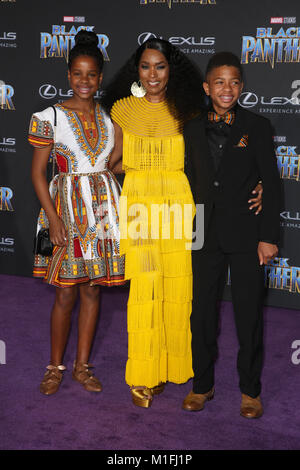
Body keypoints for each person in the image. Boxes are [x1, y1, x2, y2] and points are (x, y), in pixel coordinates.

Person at [101, 40, 262, 408]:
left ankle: (172, 369)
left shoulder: (189, 111)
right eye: (146, 66)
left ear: (171, 71)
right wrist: (135, 171)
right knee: (145, 289)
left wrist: (262, 183)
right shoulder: (123, 110)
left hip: (180, 206)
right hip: (140, 206)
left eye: (160, 66)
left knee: (178, 290)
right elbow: (111, 162)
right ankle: (144, 374)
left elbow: (220, 160)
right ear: (136, 71)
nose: (153, 74)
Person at [182, 52, 280, 418]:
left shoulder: (256, 125)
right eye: (219, 82)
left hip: (246, 233)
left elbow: (271, 181)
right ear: (207, 87)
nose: (227, 88)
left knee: (249, 315)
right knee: (202, 314)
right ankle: (201, 385)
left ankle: (250, 391)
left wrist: (268, 236)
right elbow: (183, 179)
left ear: (242, 86)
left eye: (234, 82)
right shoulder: (190, 128)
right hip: (202, 229)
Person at [29, 30, 125, 396]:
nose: (84, 81)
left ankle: (83, 367)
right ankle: (55, 367)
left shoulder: (109, 118)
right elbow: (39, 174)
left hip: (103, 213)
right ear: (68, 75)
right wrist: (53, 219)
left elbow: (111, 165)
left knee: (92, 291)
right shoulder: (49, 116)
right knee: (65, 293)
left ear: (100, 77)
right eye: (77, 73)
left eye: (91, 74)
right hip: (64, 212)